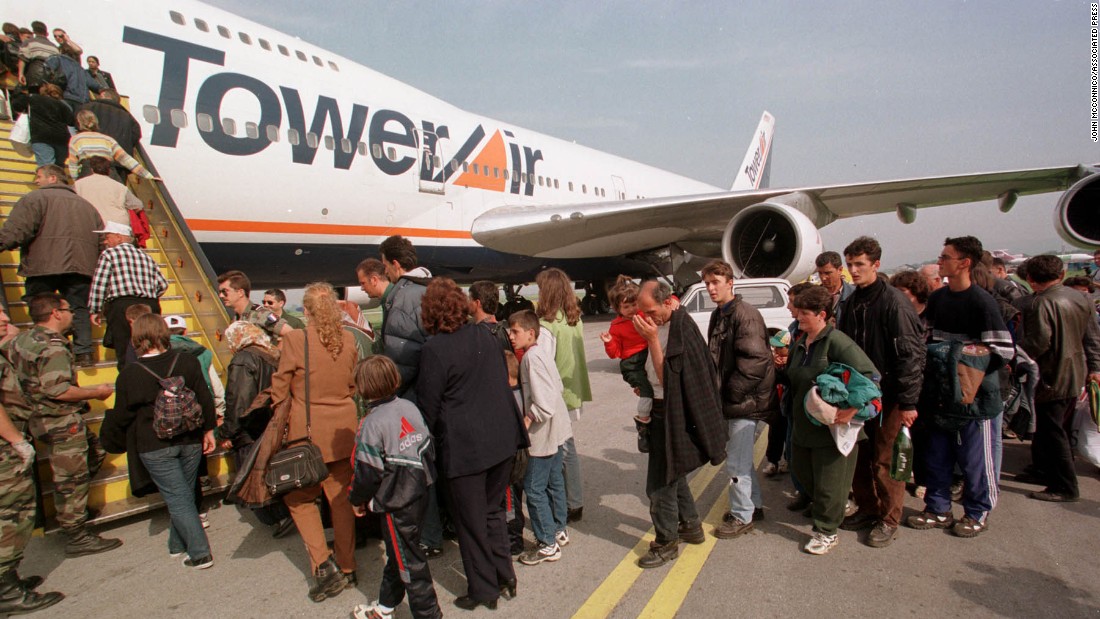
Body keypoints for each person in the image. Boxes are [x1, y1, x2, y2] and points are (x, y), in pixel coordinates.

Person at [416, 278, 528, 610]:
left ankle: (483, 589)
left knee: (471, 522)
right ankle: (504, 573)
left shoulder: (434, 350)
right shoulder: (485, 335)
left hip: (467, 450)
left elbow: (428, 407)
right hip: (501, 440)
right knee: (493, 511)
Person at [907, 236, 1012, 538]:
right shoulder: (939, 299)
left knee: (976, 460)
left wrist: (962, 362)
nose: (940, 261)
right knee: (936, 455)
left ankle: (977, 512)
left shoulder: (982, 302)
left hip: (974, 401)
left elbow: (1004, 350)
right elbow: (923, 337)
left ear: (964, 262)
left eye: (946, 257)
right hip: (940, 398)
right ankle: (937, 508)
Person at [4, 293, 119, 556]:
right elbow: (58, 390)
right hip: (60, 420)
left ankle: (71, 511)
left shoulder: (22, 340)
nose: (72, 314)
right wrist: (96, 391)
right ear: (56, 313)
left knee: (92, 453)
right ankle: (76, 531)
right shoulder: (52, 347)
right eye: (68, 309)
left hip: (38, 419)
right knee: (72, 476)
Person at [103, 314, 217, 569]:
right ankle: (177, 545)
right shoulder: (186, 360)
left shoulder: (130, 373)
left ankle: (200, 554)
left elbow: (121, 415)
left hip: (153, 444)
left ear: (137, 339)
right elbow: (204, 397)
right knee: (184, 494)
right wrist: (208, 430)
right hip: (190, 439)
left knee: (177, 499)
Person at [834, 237, 925, 548]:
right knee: (858, 456)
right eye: (850, 264)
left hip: (889, 398)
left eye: (859, 264)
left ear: (876, 264)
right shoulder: (850, 302)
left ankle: (888, 518)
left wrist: (909, 401)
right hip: (858, 396)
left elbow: (910, 356)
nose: (853, 270)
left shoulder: (894, 303)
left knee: (885, 461)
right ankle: (869, 508)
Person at [271, 282, 359, 601]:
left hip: (307, 433)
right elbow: (351, 384)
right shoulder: (348, 340)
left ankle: (324, 566)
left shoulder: (296, 339)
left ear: (305, 310)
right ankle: (348, 566)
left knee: (300, 500)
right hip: (342, 431)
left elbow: (280, 388)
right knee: (340, 500)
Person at [632, 280, 727, 568]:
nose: (648, 317)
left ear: (667, 302)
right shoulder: (663, 323)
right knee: (674, 472)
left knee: (659, 485)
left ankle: (666, 543)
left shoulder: (680, 329)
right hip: (660, 407)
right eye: (643, 311)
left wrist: (650, 340)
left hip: (670, 412)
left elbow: (668, 381)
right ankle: (690, 525)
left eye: (651, 311)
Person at [784, 285, 880, 555]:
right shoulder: (801, 342)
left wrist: (852, 410)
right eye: (798, 312)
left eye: (804, 313)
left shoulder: (837, 342)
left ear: (822, 314)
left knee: (830, 482)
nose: (798, 318)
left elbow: (871, 379)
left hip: (832, 431)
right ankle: (834, 509)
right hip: (804, 426)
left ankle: (826, 531)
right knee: (804, 474)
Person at [348, 356, 442, 619]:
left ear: (363, 387)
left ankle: (430, 615)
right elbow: (427, 447)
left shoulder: (371, 423)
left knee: (410, 563)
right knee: (400, 552)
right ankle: (386, 608)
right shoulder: (409, 407)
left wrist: (357, 499)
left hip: (395, 502)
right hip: (421, 491)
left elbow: (367, 473)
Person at [701, 260, 776, 539]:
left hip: (745, 403)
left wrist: (729, 395)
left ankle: (741, 515)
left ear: (730, 282)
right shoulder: (719, 314)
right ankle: (753, 506)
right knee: (741, 460)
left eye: (715, 282)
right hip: (735, 402)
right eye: (707, 283)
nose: (710, 288)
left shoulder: (745, 315)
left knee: (736, 463)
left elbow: (755, 363)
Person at [0, 164, 102, 366]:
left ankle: (44, 347)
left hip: (43, 264)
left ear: (53, 178)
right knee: (79, 307)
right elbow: (101, 241)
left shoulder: (34, 199)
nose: (36, 181)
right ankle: (84, 353)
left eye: (39, 177)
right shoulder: (87, 206)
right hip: (81, 266)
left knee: (41, 306)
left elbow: (19, 229)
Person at [1017, 255, 1100, 502]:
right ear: (1061, 274)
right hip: (1074, 371)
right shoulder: (1082, 298)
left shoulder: (1039, 304)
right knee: (1049, 428)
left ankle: (1064, 486)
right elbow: (1092, 337)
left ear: (1030, 279)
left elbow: (1038, 342)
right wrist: (1094, 367)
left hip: (1051, 375)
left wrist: (1014, 356)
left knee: (1054, 432)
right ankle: (1044, 471)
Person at [216, 321, 294, 537]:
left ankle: (278, 517)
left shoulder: (243, 360)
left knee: (254, 477)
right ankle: (286, 512)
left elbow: (238, 400)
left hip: (250, 429)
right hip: (272, 422)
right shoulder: (271, 356)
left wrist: (227, 431)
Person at [0, 356, 65, 615]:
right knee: (12, 516)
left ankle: (8, 580)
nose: (5, 320)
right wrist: (15, 439)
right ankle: (7, 592)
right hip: (6, 448)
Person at [508, 309, 572, 566]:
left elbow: (544, 403)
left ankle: (547, 543)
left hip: (542, 437)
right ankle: (558, 528)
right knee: (553, 482)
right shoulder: (540, 354)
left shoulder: (531, 359)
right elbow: (556, 387)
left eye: (516, 332)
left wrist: (526, 420)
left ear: (530, 333)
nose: (511, 336)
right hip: (556, 433)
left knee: (534, 489)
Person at [534, 267, 592, 523]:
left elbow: (543, 365)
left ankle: (569, 503)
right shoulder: (573, 318)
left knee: (561, 451)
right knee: (568, 449)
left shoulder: (548, 325)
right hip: (573, 391)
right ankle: (573, 500)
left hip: (558, 395)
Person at [88, 220, 167, 369]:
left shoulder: (109, 254)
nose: (105, 241)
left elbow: (100, 284)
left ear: (119, 237)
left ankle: (130, 382)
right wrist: (148, 294)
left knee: (125, 350)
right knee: (151, 346)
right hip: (150, 305)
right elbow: (163, 284)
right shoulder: (146, 257)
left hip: (122, 306)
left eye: (107, 236)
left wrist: (95, 309)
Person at [599, 277, 653, 451]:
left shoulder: (645, 315)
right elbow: (614, 353)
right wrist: (608, 342)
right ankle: (643, 426)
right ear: (617, 308)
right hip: (632, 364)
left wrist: (673, 300)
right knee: (647, 392)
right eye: (626, 307)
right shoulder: (616, 326)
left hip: (648, 357)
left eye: (634, 304)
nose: (631, 310)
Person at [378, 235, 431, 400]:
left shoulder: (402, 298)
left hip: (415, 394)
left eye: (385, 266)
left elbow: (402, 357)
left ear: (395, 264)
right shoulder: (434, 288)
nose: (385, 272)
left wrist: (391, 391)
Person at [67, 110, 156, 181]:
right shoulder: (107, 139)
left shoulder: (76, 140)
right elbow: (126, 159)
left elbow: (73, 165)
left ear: (79, 122)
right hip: (108, 173)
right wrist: (148, 175)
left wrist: (76, 180)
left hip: (87, 174)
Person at [216, 270, 293, 343]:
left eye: (224, 291)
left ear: (240, 292)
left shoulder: (260, 314)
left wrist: (275, 353)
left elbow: (291, 333)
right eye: (220, 292)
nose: (221, 295)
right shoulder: (237, 318)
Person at [10, 82, 73, 165]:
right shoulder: (64, 105)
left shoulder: (34, 99)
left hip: (42, 138)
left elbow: (17, 104)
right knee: (58, 168)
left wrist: (19, 90)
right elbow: (71, 122)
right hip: (62, 140)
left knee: (46, 166)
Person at [74, 155, 143, 227]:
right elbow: (138, 206)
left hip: (90, 224)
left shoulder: (78, 184)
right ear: (109, 171)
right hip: (117, 226)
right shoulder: (120, 186)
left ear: (91, 170)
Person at [44, 43, 100, 110]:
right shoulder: (81, 69)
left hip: (65, 97)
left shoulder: (56, 58)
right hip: (82, 101)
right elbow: (95, 85)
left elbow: (46, 71)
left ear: (60, 50)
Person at [815, 251, 854, 322]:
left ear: (840, 270)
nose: (823, 278)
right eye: (820, 273)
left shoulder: (854, 295)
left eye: (827, 273)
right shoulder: (811, 296)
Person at [15, 21, 57, 89]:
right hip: (51, 79)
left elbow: (22, 58)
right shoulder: (55, 47)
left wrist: (21, 74)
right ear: (46, 33)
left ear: (34, 32)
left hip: (35, 75)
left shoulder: (29, 42)